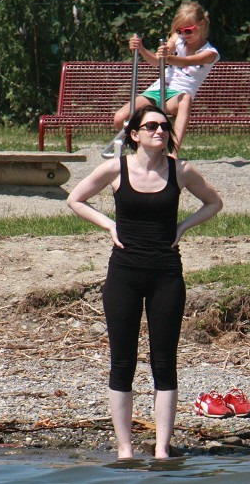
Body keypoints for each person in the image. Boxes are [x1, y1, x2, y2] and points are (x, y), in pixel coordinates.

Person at [67, 103, 223, 460]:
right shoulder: (115, 168)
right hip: (123, 275)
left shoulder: (181, 170)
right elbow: (75, 199)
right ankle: (124, 451)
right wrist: (109, 225)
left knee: (164, 362)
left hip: (166, 274)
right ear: (134, 135)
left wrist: (182, 227)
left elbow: (214, 203)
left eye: (164, 126)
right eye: (152, 126)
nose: (160, 131)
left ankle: (162, 449)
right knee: (122, 362)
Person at [113, 1, 219, 152]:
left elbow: (187, 61)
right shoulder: (178, 40)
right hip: (159, 88)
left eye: (188, 31)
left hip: (178, 95)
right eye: (179, 31)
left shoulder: (210, 53)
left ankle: (173, 152)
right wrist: (141, 49)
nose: (183, 35)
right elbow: (156, 62)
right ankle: (139, 149)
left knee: (186, 100)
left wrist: (167, 58)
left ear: (201, 24)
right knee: (120, 118)